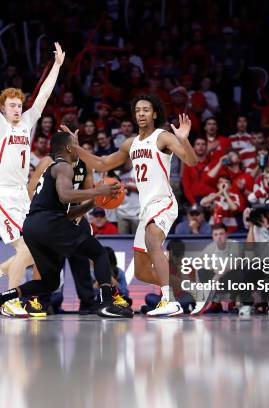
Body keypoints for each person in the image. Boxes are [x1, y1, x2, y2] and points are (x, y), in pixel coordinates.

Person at [0, 33, 67, 317]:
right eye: (12, 105)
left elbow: (43, 95)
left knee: (33, 251)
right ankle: (10, 301)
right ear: (3, 108)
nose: (18, 109)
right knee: (24, 248)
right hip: (4, 194)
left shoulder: (27, 122)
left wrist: (57, 65)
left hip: (22, 195)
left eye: (20, 105)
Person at [0, 131, 133, 319]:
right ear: (69, 148)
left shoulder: (52, 169)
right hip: (49, 223)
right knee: (99, 253)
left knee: (49, 283)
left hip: (32, 227)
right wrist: (97, 191)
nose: (79, 149)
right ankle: (106, 304)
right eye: (76, 145)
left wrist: (94, 203)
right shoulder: (64, 166)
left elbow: (67, 213)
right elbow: (65, 195)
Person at [73, 94, 199, 316]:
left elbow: (191, 161)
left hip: (163, 202)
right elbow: (102, 163)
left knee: (152, 239)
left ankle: (169, 300)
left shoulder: (163, 137)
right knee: (141, 270)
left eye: (146, 110)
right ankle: (188, 289)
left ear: (155, 113)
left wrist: (184, 139)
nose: (141, 113)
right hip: (145, 209)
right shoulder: (130, 143)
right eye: (138, 110)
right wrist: (77, 149)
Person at [28, 146, 103, 314]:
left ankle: (87, 302)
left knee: (81, 260)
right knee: (50, 262)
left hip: (76, 214)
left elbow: (88, 192)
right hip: (52, 217)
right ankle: (43, 302)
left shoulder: (85, 164)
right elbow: (31, 188)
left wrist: (80, 213)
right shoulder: (48, 161)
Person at [116, 159, 140, 234]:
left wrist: (129, 186)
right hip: (121, 212)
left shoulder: (138, 171)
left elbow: (146, 190)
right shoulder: (118, 173)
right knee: (123, 242)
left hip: (137, 212)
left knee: (137, 241)